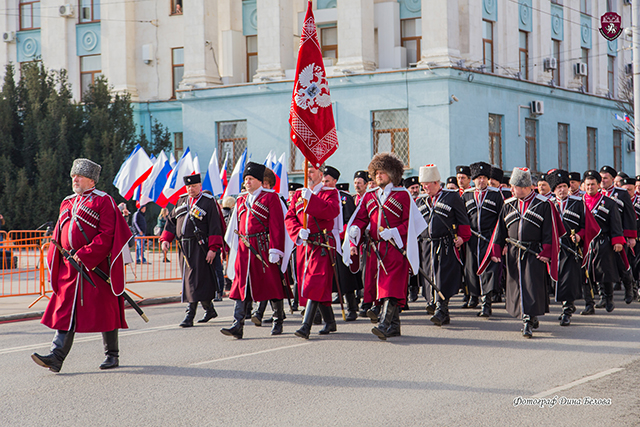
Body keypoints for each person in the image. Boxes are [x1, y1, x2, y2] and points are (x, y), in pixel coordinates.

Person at [31, 159, 132, 372]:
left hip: (96, 267)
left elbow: (108, 234)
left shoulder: (104, 201)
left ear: (91, 180)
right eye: (73, 176)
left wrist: (86, 254)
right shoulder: (67, 201)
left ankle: (112, 355)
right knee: (66, 310)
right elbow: (60, 233)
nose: (74, 180)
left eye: (79, 176)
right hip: (70, 268)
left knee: (106, 310)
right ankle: (56, 357)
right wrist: (57, 254)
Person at [345, 153, 427, 340]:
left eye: (383, 172)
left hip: (395, 248)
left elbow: (411, 224)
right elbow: (360, 218)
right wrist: (356, 229)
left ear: (392, 174)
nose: (379, 176)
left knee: (390, 286)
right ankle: (395, 326)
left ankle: (383, 324)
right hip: (375, 250)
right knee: (379, 287)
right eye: (376, 173)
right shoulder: (369, 196)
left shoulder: (403, 195)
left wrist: (395, 232)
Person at [480, 167, 563, 338]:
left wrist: (547, 251)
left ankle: (527, 321)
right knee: (517, 286)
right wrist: (496, 249)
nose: (511, 190)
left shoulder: (543, 204)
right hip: (513, 252)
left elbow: (550, 231)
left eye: (514, 186)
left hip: (534, 252)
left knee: (531, 286)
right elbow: (500, 230)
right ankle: (529, 316)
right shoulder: (508, 204)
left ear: (525, 187)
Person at [221, 162, 291, 338]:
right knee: (241, 285)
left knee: (271, 283)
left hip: (263, 247)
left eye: (251, 179)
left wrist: (275, 249)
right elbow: (235, 225)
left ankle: (278, 320)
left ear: (260, 181)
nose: (247, 182)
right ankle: (237, 324)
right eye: (245, 179)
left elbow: (276, 226)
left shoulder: (271, 198)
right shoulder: (242, 199)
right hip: (244, 248)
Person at [285, 163, 341, 339]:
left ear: (320, 173)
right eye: (306, 171)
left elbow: (332, 211)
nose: (307, 174)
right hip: (305, 244)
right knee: (313, 283)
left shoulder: (330, 192)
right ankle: (330, 321)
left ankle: (306, 325)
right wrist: (297, 232)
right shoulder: (299, 194)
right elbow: (290, 217)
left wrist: (313, 199)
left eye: (311, 171)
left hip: (322, 243)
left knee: (315, 281)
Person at [160, 174, 224, 327]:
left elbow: (215, 226)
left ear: (200, 186)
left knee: (193, 280)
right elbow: (171, 222)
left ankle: (190, 315)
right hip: (183, 247)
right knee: (194, 280)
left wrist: (213, 248)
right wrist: (165, 239)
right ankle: (209, 309)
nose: (191, 189)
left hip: (200, 246)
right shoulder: (181, 200)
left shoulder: (208, 202)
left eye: (194, 186)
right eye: (188, 186)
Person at [416, 164, 471, 326]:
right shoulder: (421, 200)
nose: (424, 187)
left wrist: (462, 237)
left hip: (445, 244)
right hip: (426, 245)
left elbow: (463, 219)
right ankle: (438, 308)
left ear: (436, 182)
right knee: (429, 277)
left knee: (442, 278)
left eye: (427, 184)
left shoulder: (451, 196)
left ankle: (441, 308)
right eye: (422, 184)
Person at [461, 162, 504, 317]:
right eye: (478, 178)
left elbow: (502, 218)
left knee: (489, 270)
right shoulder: (466, 195)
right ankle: (474, 297)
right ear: (473, 179)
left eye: (484, 177)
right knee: (471, 270)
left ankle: (487, 304)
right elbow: (461, 217)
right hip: (472, 239)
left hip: (489, 238)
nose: (481, 181)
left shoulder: (495, 194)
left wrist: (500, 240)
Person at [580, 170, 625, 315]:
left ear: (599, 185)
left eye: (593, 184)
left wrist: (617, 240)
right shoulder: (579, 203)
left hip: (603, 240)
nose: (590, 187)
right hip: (585, 242)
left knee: (605, 271)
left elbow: (616, 224)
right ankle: (589, 304)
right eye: (587, 184)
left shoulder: (609, 203)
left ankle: (608, 298)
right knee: (585, 274)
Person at [547, 170, 587, 326]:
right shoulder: (547, 204)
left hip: (571, 249)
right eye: (558, 187)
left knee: (568, 280)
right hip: (553, 249)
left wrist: (579, 235)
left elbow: (586, 226)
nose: (562, 190)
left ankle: (567, 310)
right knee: (555, 281)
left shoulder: (578, 203)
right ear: (553, 189)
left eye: (564, 186)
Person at [323, 166, 362, 321]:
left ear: (335, 181)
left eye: (327, 181)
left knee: (344, 276)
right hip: (325, 242)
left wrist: (340, 234)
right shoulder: (320, 197)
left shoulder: (344, 198)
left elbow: (350, 220)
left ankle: (352, 307)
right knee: (324, 278)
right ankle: (321, 311)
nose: (324, 183)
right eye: (323, 180)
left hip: (341, 241)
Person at [599, 165, 637, 305]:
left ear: (613, 179)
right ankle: (605, 297)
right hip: (603, 236)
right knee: (604, 267)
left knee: (622, 263)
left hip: (619, 234)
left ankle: (629, 288)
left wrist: (631, 236)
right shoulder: (597, 193)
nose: (602, 181)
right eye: (601, 178)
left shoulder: (621, 193)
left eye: (605, 178)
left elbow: (629, 215)